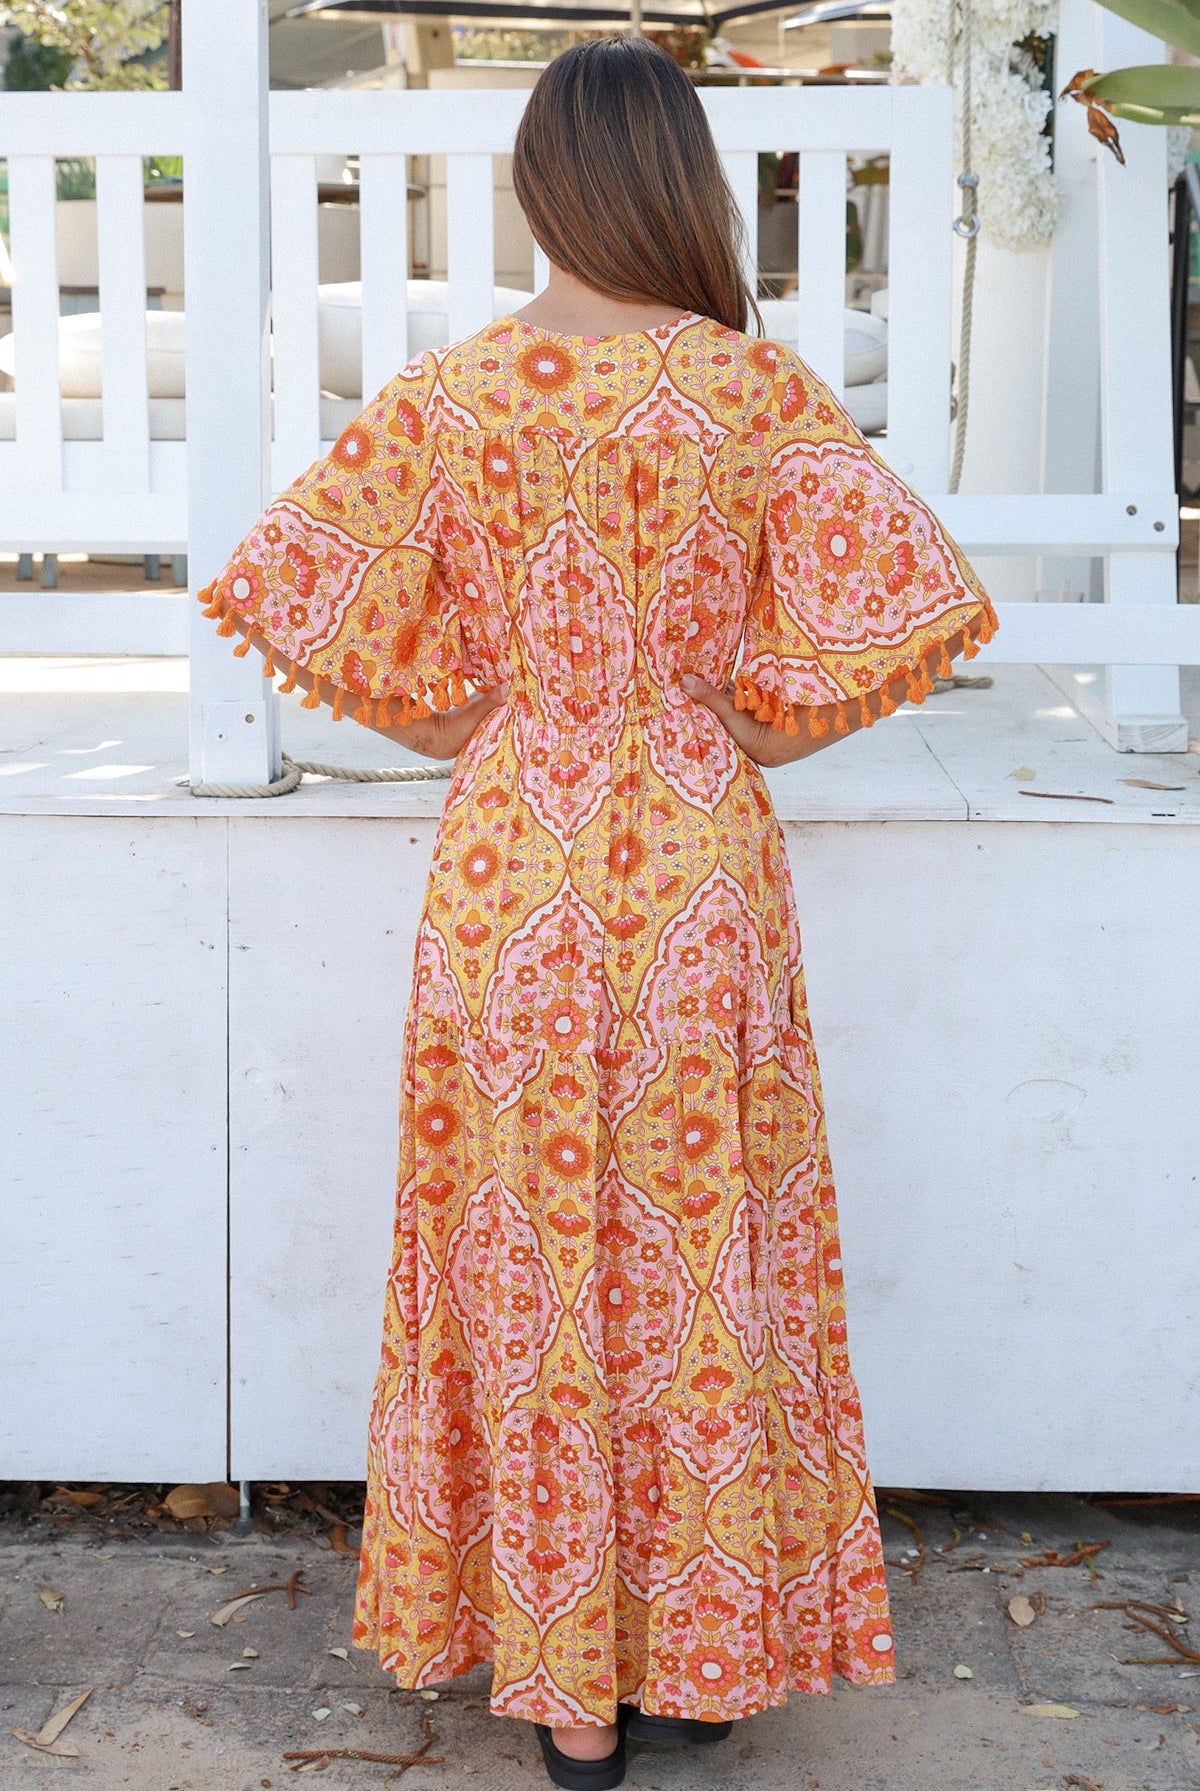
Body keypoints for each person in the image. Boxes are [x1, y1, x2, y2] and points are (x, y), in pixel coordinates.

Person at [198, 33, 998, 1791]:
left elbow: (293, 593)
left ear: (537, 186)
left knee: (530, 1258)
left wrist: (479, 724)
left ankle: (567, 1696)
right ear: (685, 181)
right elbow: (907, 606)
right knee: (705, 1253)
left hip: (511, 867)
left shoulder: (453, 394)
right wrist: (748, 724)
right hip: (697, 860)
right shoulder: (753, 390)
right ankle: (702, 1658)